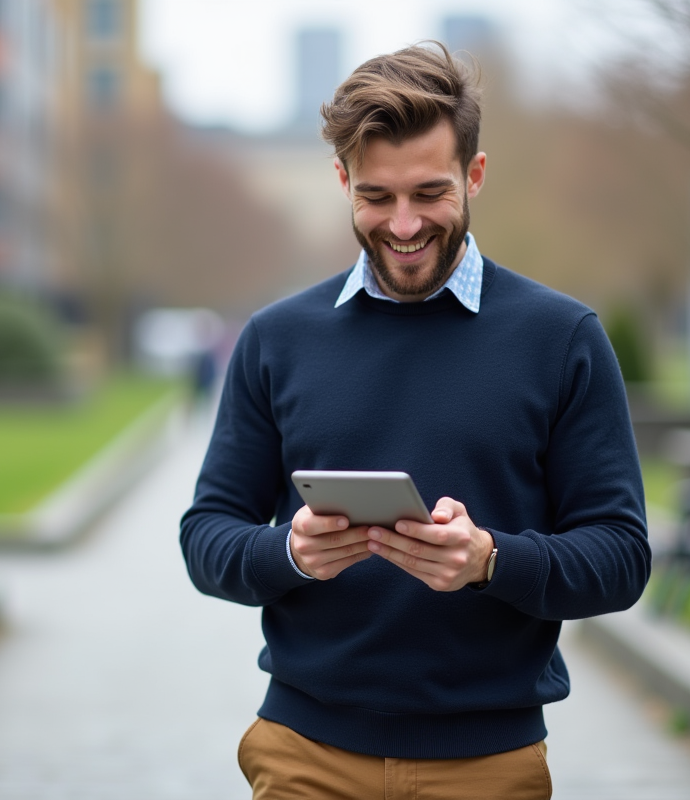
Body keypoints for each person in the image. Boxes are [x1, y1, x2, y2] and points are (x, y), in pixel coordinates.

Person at [180, 41, 650, 800]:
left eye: (430, 193)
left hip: (487, 765)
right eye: (377, 196)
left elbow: (621, 557)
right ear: (343, 181)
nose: (403, 225)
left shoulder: (562, 339)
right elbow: (206, 535)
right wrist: (289, 551)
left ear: (475, 175)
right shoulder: (276, 340)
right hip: (305, 756)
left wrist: (490, 560)